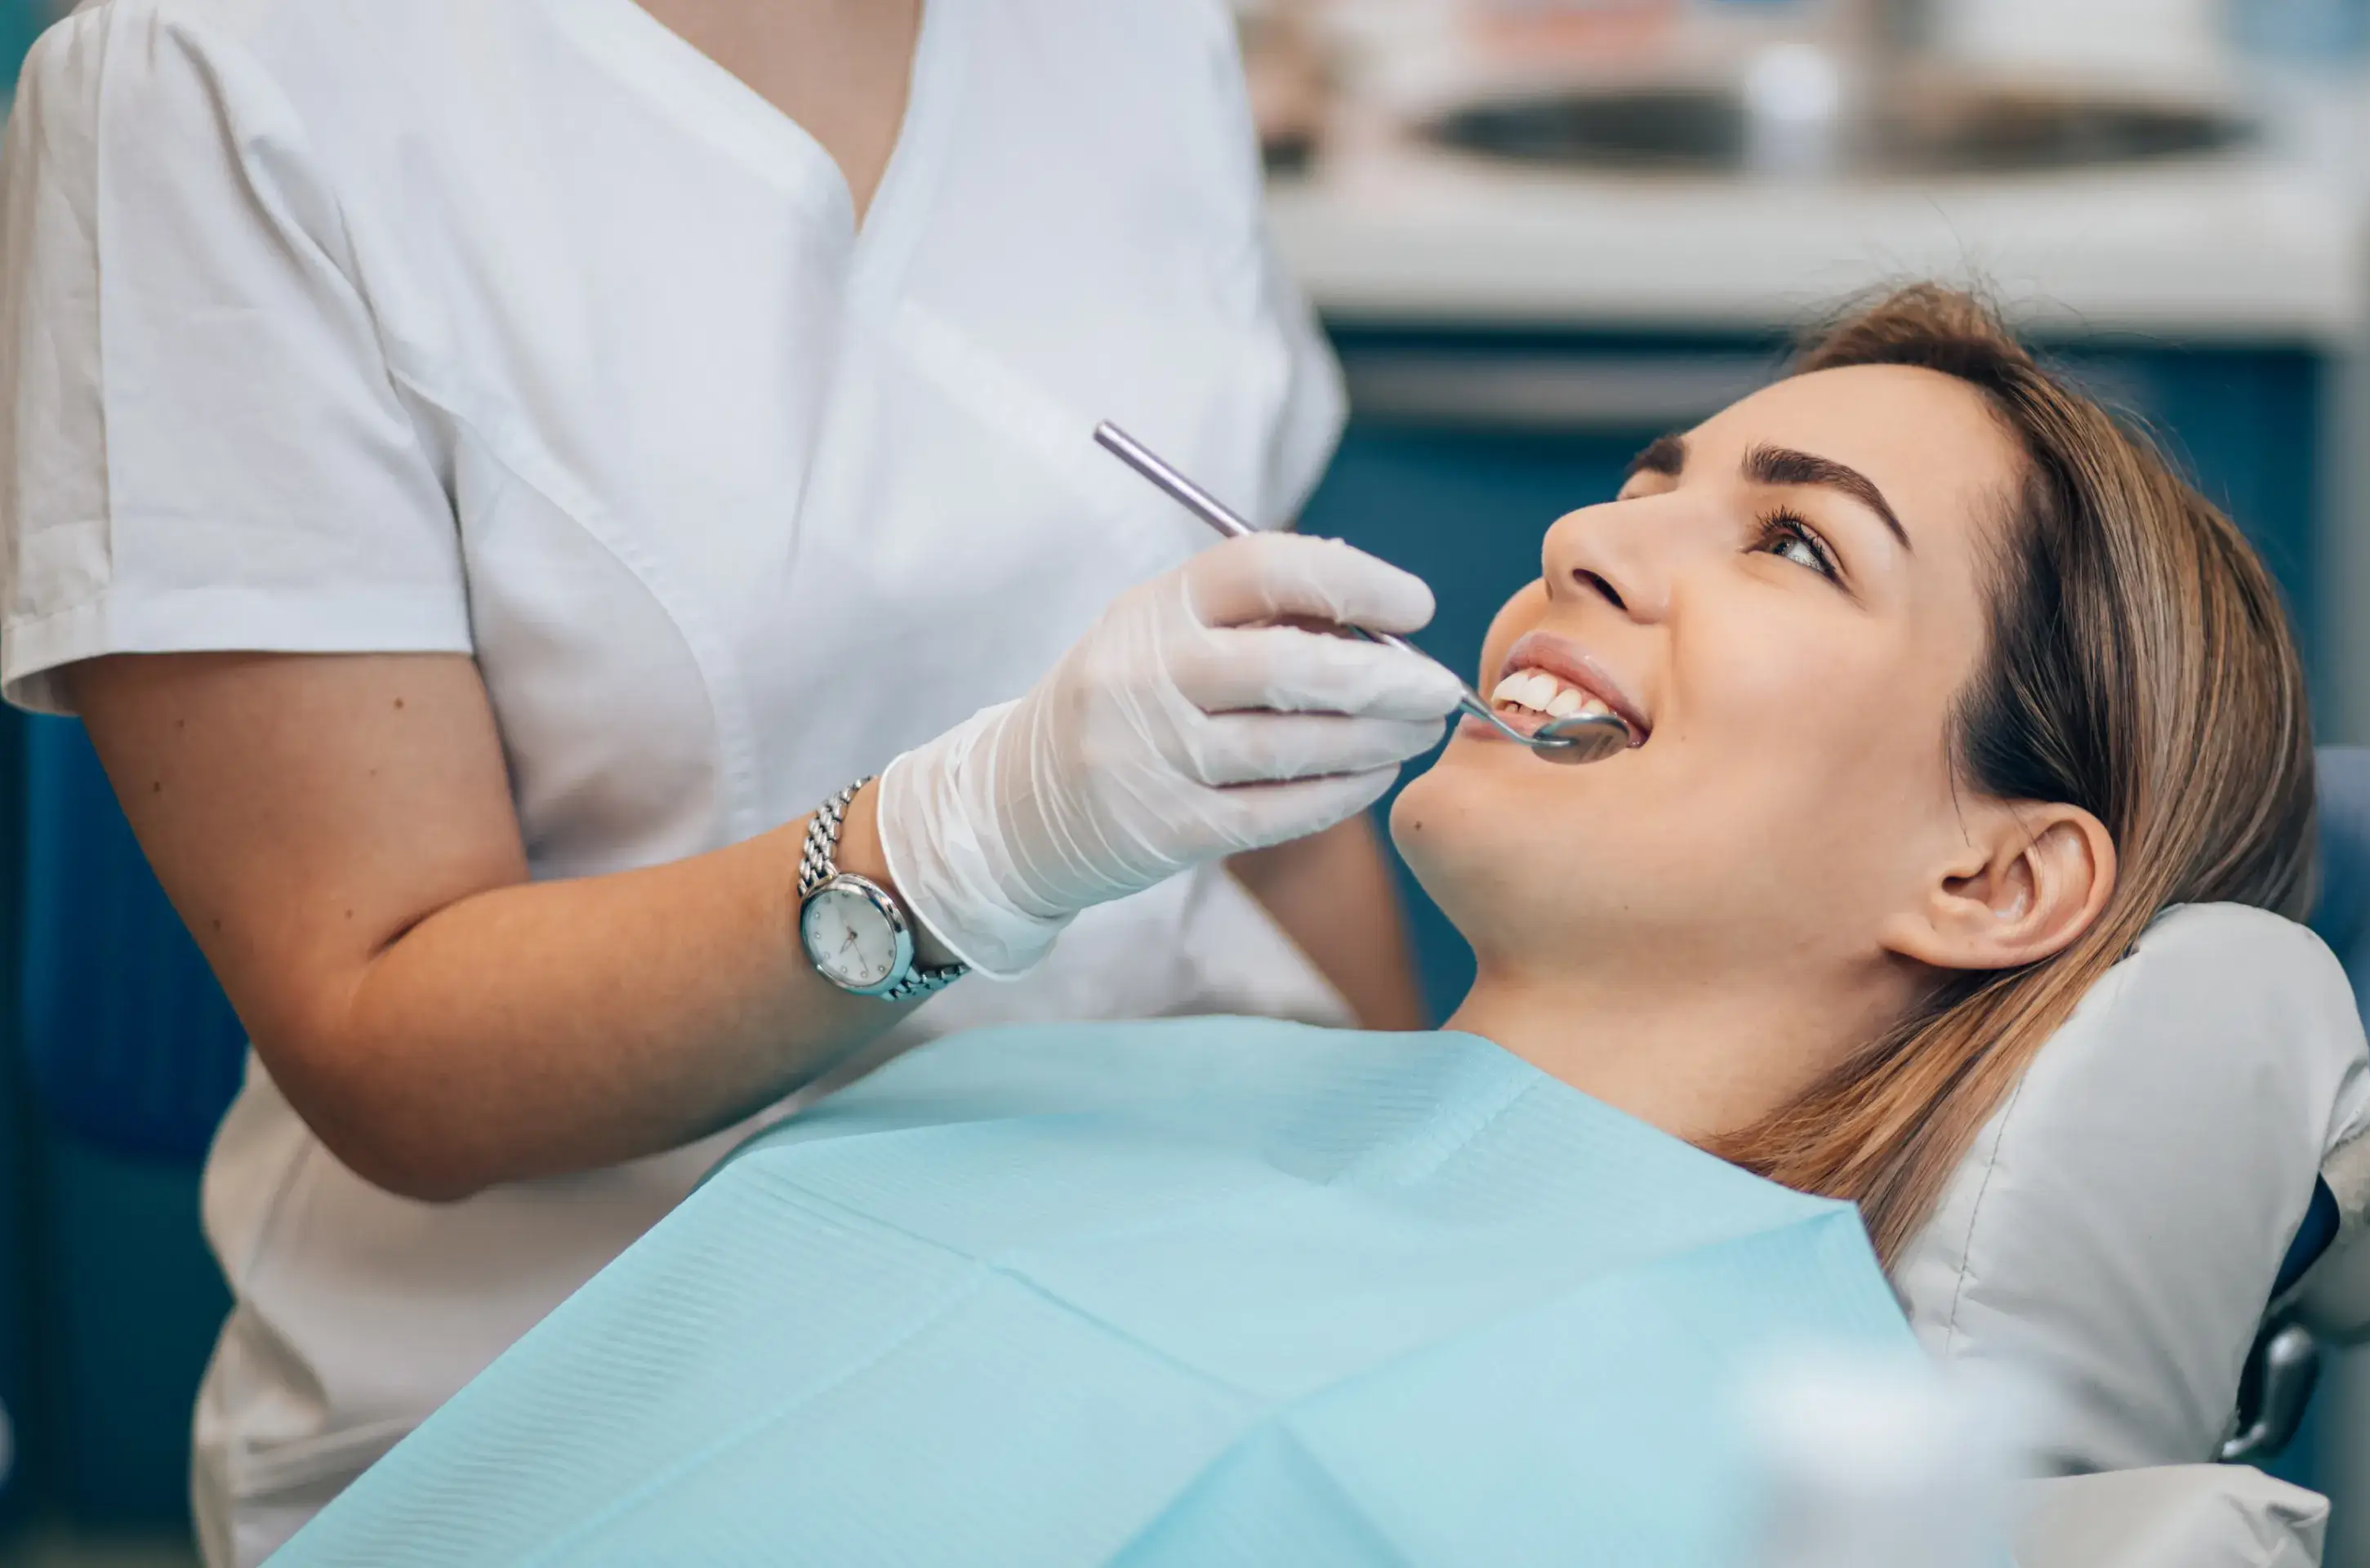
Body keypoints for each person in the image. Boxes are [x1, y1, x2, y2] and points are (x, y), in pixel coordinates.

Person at [279, 285, 2322, 1563]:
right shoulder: (1042, 1088)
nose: (1588, 540)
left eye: (1793, 543)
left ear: (1994, 878)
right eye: (1646, 478)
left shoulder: (1743, 1466)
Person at [0, 1, 1461, 1558]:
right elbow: (384, 1042)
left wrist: (1432, 1247)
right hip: (596, 1400)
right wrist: (960, 853)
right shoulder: (222, 81)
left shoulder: (1137, 35)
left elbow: (1278, 804)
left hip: (1167, 1308)